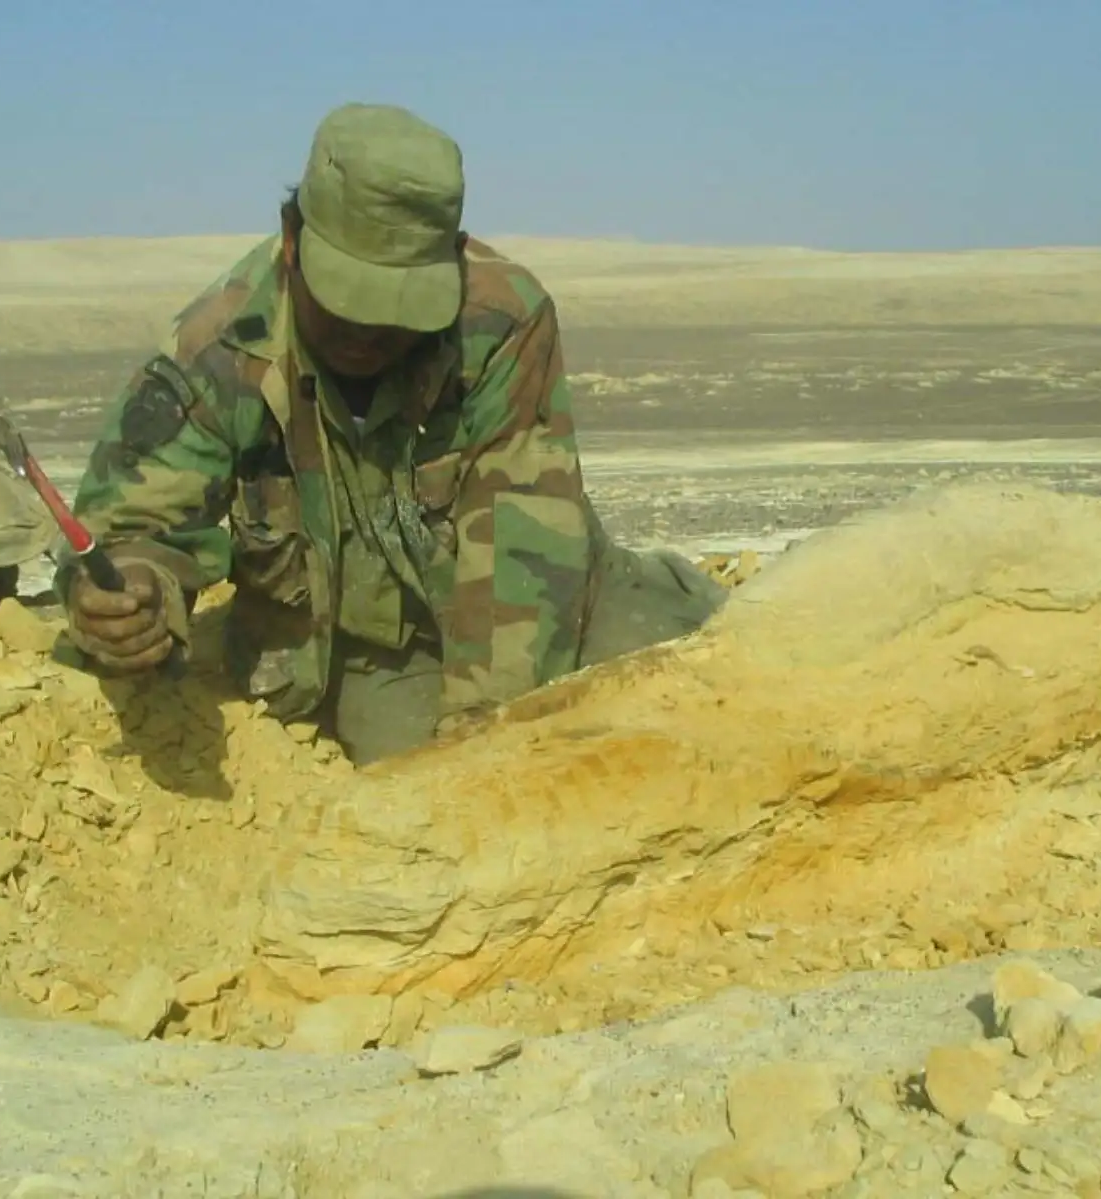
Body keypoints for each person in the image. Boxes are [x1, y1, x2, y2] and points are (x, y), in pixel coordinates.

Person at [58, 102, 726, 763]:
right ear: (292, 241)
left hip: (537, 598)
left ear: (453, 260)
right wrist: (128, 594)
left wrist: (485, 734)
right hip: (371, 651)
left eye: (399, 308)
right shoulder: (217, 349)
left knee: (706, 700)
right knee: (425, 787)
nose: (367, 335)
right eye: (346, 300)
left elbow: (524, 547)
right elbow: (134, 530)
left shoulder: (501, 321)